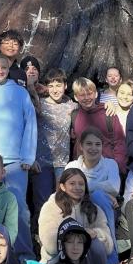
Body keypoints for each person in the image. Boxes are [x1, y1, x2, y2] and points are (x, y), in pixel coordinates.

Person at [0, 54, 37, 260]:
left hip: (15, 161)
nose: (0, 70)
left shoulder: (20, 92)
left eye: (3, 67)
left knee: (19, 208)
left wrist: (28, 157)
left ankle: (24, 254)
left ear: (9, 68)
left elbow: (30, 123)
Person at [36, 169, 112, 264]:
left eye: (81, 184)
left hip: (88, 261)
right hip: (56, 260)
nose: (77, 187)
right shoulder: (51, 207)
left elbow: (109, 246)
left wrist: (95, 233)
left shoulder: (94, 209)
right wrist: (76, 235)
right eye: (72, 183)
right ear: (62, 186)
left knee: (96, 244)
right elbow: (50, 245)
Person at [63, 128, 120, 264]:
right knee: (99, 194)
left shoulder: (110, 164)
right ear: (81, 146)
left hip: (105, 209)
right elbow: (67, 190)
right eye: (89, 144)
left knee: (98, 196)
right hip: (78, 207)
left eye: (97, 144)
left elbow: (114, 187)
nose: (93, 148)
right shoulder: (73, 165)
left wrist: (88, 188)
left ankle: (112, 256)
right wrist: (102, 190)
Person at [32, 68, 78, 209]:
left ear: (65, 85)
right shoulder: (39, 104)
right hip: (41, 162)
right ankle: (40, 231)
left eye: (58, 85)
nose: (55, 90)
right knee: (43, 203)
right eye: (51, 86)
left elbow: (90, 104)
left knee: (62, 202)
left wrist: (109, 104)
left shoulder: (72, 105)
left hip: (62, 163)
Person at [70, 77, 127, 174]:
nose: (87, 98)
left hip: (107, 169)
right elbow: (75, 143)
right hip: (83, 171)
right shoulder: (74, 115)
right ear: (76, 97)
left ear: (96, 94)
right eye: (82, 95)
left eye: (89, 93)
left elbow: (119, 142)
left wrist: (117, 166)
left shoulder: (108, 113)